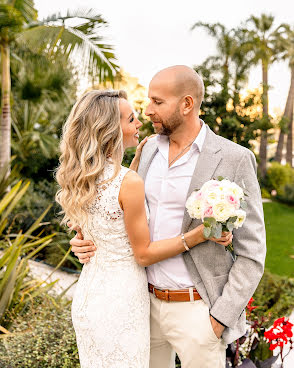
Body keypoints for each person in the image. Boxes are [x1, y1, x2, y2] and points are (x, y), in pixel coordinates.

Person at [70, 66, 266, 368]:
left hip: (197, 312)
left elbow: (252, 252)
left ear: (186, 104)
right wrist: (84, 237)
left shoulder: (234, 158)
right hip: (140, 308)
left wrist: (220, 317)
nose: (148, 110)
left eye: (157, 102)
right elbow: (112, 209)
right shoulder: (146, 150)